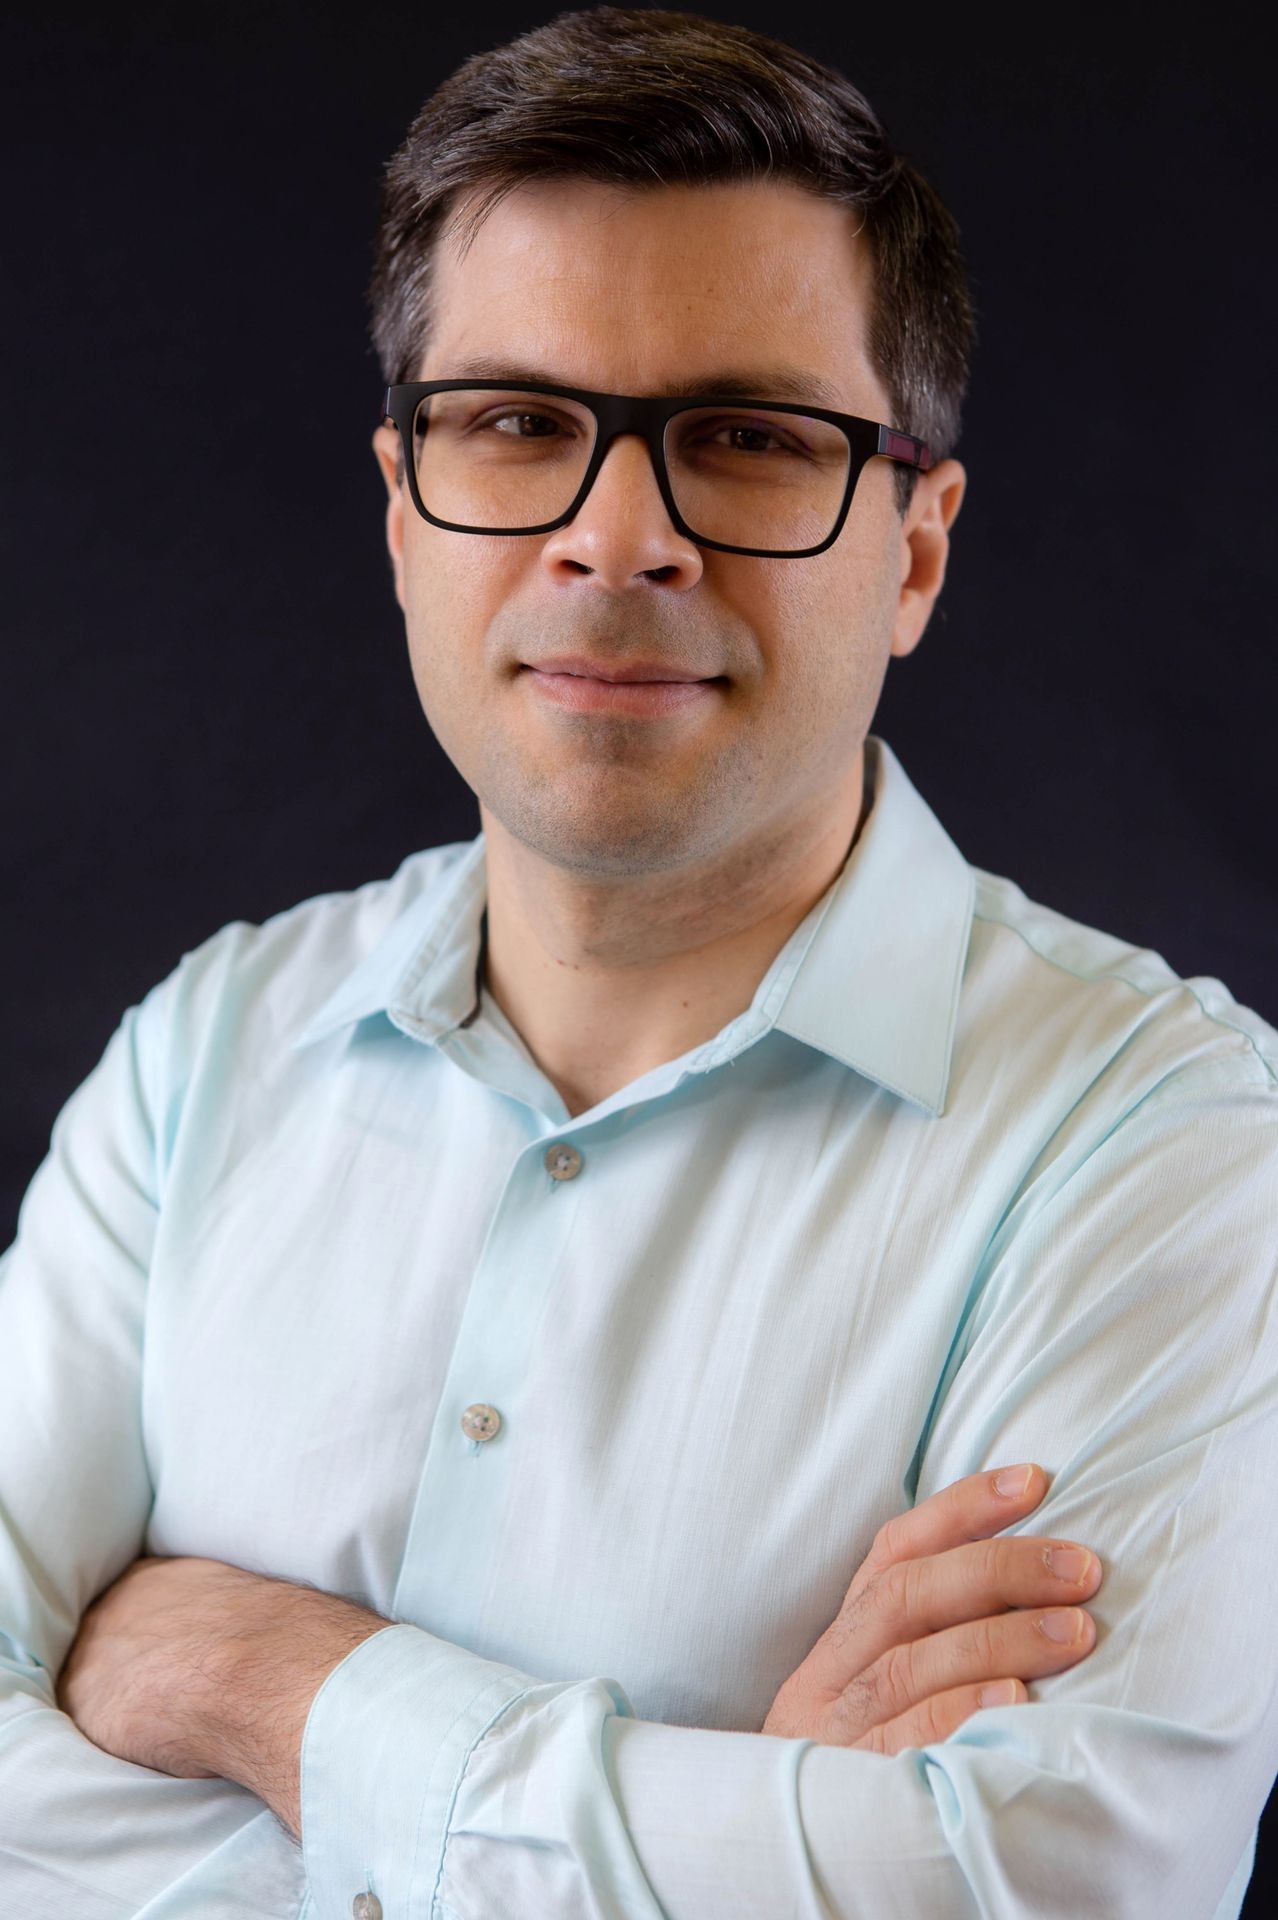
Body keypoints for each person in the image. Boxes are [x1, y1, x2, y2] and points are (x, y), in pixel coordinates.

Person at [3, 5, 1276, 1915]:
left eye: (747, 440)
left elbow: (1061, 1890)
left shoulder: (1163, 1144)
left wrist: (264, 1687)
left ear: (914, 551)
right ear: (399, 513)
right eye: (517, 423)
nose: (617, 539)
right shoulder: (205, 1053)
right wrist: (739, 1822)